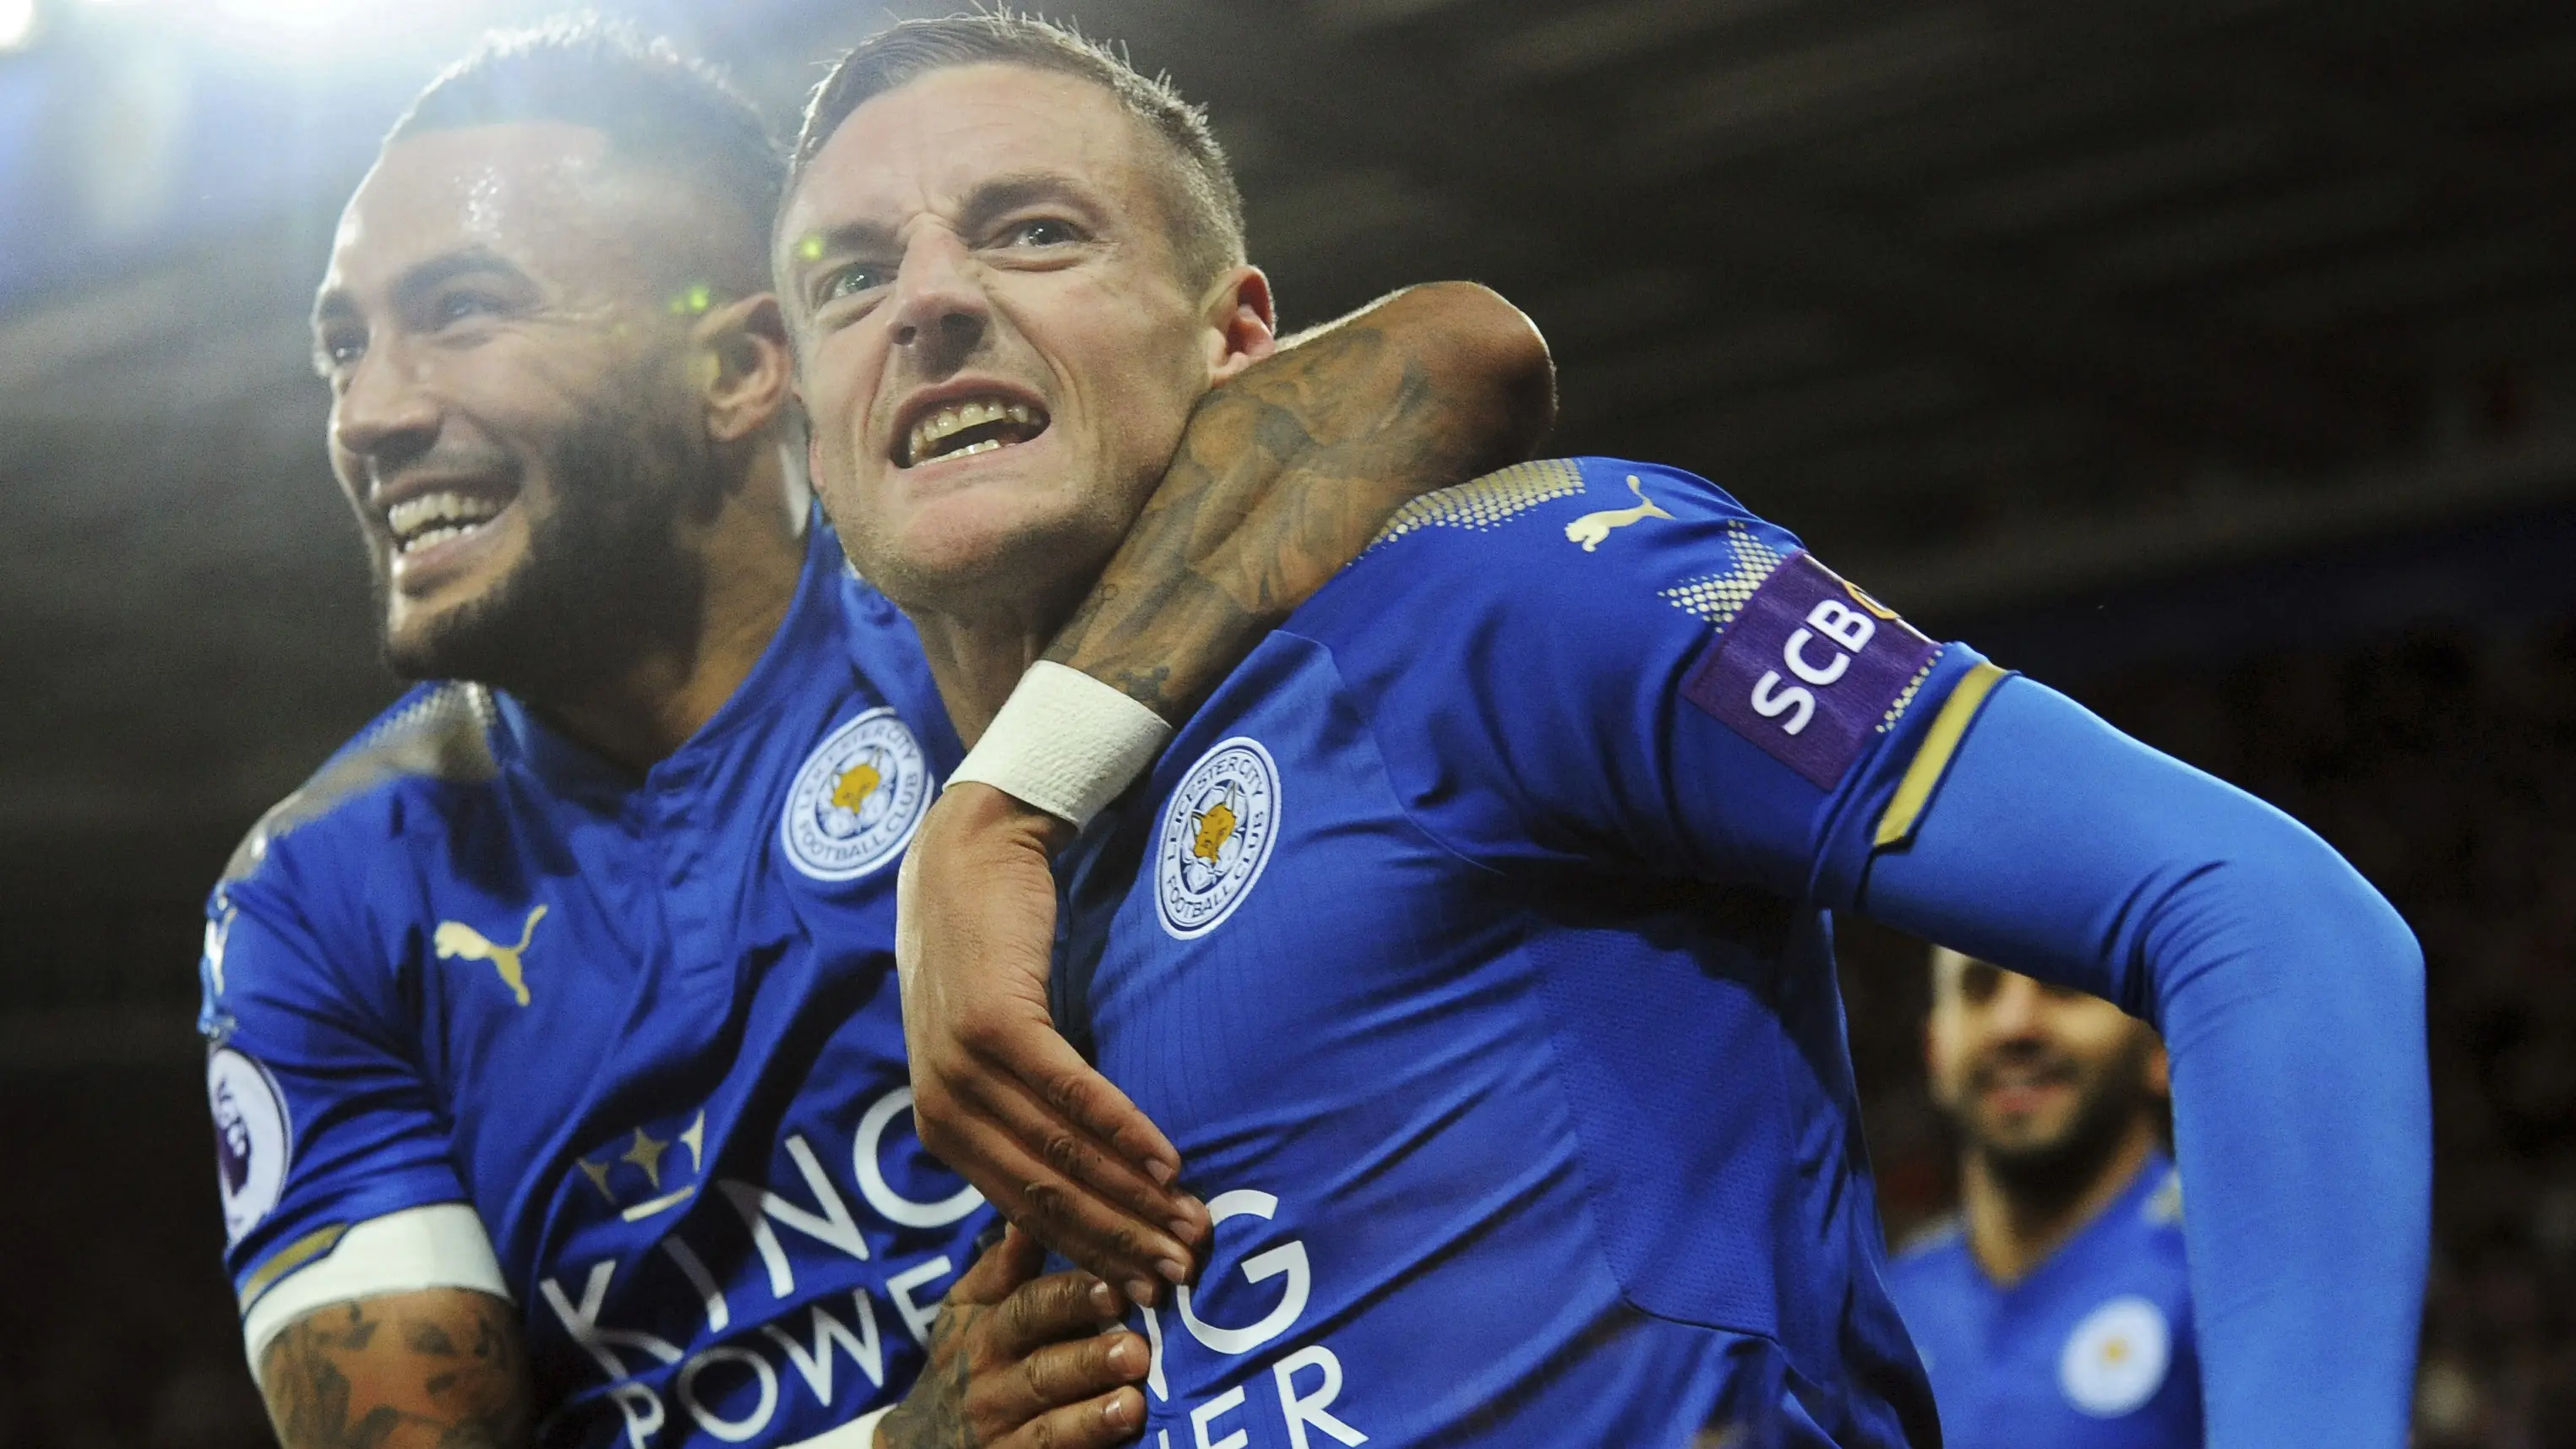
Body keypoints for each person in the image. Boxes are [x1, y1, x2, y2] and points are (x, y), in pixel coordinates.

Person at [780, 14, 2431, 1447]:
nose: (929, 299)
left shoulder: (1525, 585)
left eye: (1034, 233)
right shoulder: (957, 946)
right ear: (807, 425)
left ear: (1239, 342)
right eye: (853, 275)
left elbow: (2258, 911)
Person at [199, 22, 1550, 1449]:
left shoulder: (978, 613)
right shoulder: (313, 892)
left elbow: (1450, 349)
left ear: (739, 370)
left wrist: (992, 809)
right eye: (343, 346)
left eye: (462, 314)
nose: (374, 413)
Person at [1889, 948, 2197, 1446]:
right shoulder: (1889, 1307)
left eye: (2065, 983)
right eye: (1979, 988)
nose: (2014, 1025)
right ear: (1935, 1049)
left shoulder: (2226, 1281)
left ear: (2161, 1045)